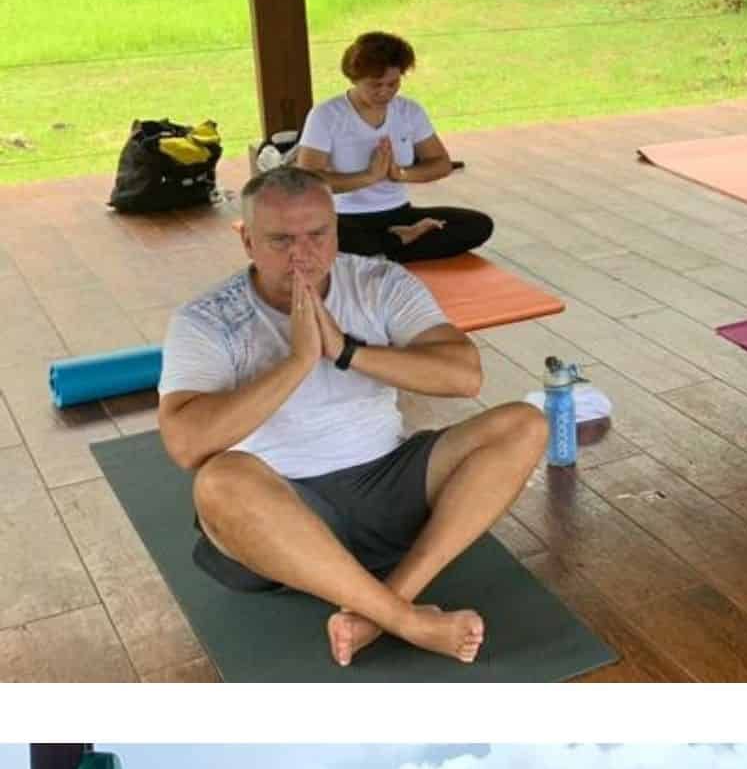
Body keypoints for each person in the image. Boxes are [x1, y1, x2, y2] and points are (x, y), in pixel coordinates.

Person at [157, 165, 548, 668]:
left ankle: (381, 607)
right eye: (280, 240)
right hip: (282, 510)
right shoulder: (207, 319)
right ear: (246, 240)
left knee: (525, 423)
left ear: (336, 228)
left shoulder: (378, 281)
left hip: (391, 482)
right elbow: (186, 444)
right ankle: (407, 620)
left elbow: (464, 375)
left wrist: (344, 351)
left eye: (318, 234)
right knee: (218, 482)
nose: (303, 254)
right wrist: (298, 361)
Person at [293, 30, 494, 261]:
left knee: (477, 225)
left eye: (393, 83)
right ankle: (396, 243)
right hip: (345, 217)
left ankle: (383, 248)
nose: (385, 92)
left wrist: (401, 174)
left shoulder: (409, 111)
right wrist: (367, 177)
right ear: (354, 78)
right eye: (375, 84)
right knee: (315, 236)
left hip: (399, 213)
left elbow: (441, 164)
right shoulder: (326, 115)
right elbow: (306, 181)